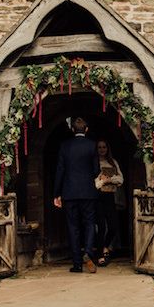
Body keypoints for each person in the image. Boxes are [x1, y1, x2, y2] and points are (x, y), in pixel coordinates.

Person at [53, 117, 100, 273]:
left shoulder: (64, 146)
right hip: (88, 192)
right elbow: (96, 171)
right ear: (86, 130)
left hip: (70, 192)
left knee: (73, 227)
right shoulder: (92, 145)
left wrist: (57, 193)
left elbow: (60, 171)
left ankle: (77, 264)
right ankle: (88, 252)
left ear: (72, 130)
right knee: (89, 224)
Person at [94, 139, 123, 266]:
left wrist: (108, 180)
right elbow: (94, 183)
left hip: (110, 197)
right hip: (98, 197)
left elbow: (120, 179)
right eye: (99, 147)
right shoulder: (94, 163)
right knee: (101, 227)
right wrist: (101, 181)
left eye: (104, 147)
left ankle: (105, 246)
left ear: (107, 148)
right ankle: (100, 254)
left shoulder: (113, 162)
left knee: (113, 226)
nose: (102, 149)